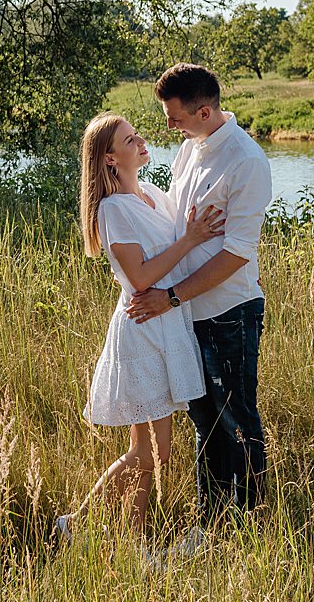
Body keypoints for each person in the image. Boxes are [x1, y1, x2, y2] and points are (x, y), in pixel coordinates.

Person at [54, 112, 226, 543]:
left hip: (167, 325)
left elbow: (186, 236)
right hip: (143, 330)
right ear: (110, 159)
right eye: (130, 140)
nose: (141, 141)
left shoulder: (151, 193)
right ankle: (92, 528)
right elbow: (141, 277)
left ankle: (103, 531)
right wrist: (189, 239)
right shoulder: (113, 210)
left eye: (136, 135)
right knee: (147, 452)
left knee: (155, 452)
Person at [126, 63, 271, 530]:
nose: (168, 125)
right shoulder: (190, 148)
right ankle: (211, 524)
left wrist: (169, 297)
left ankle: (248, 525)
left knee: (237, 420)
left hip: (228, 311)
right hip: (186, 312)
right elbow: (178, 224)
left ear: (204, 111)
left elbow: (236, 255)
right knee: (203, 422)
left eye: (174, 117)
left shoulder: (246, 163)